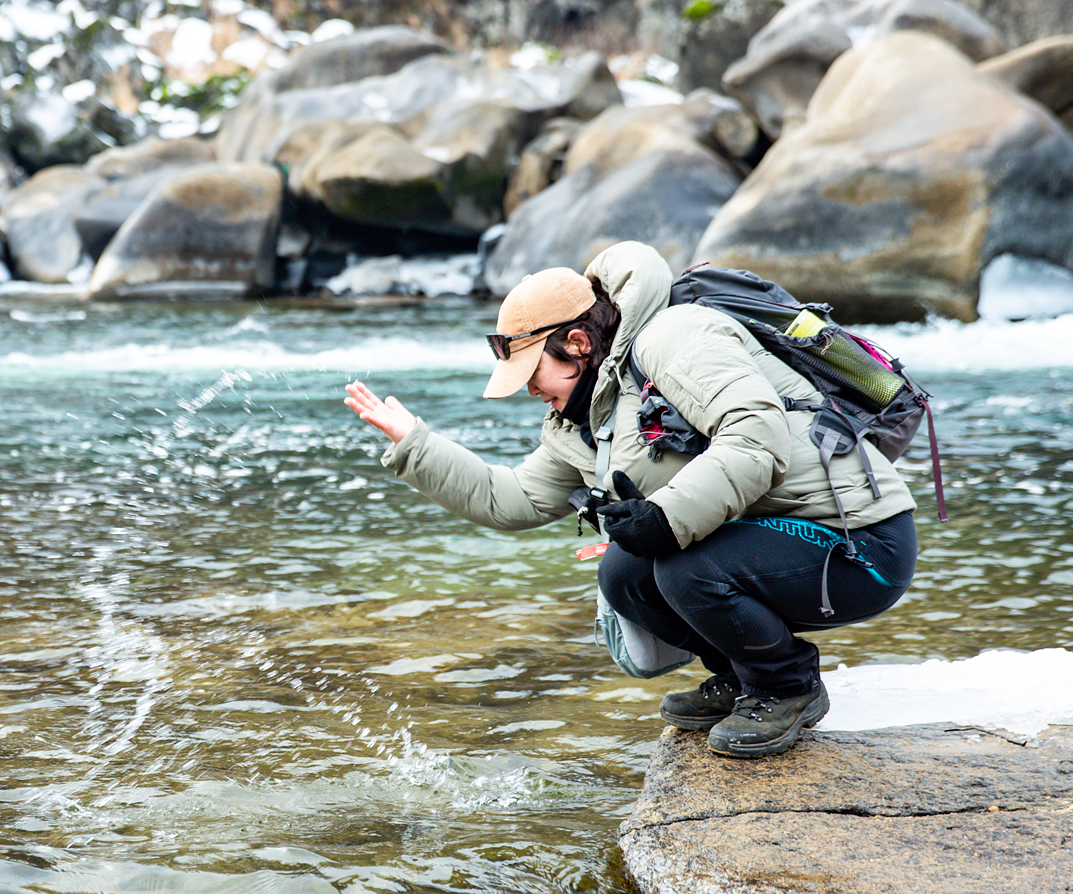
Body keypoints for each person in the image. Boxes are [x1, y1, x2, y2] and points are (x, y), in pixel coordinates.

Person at [343, 240, 917, 759]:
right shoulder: (585, 419)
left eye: (532, 371)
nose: (529, 389)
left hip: (861, 544)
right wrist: (415, 444)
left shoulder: (675, 336)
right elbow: (509, 499)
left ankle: (787, 687)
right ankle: (742, 677)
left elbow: (755, 437)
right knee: (623, 573)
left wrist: (663, 519)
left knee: (682, 567)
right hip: (781, 544)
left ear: (577, 343)